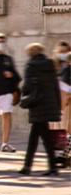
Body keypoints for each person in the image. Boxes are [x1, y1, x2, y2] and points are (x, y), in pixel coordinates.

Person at [19, 43, 62, 176]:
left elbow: (27, 86)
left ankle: (31, 167)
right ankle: (32, 166)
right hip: (49, 103)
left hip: (37, 104)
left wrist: (23, 95)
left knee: (43, 137)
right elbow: (56, 86)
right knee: (38, 136)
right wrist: (57, 105)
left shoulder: (31, 66)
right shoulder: (50, 65)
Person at [54, 40, 71, 133]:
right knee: (62, 115)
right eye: (61, 52)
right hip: (61, 91)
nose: (63, 54)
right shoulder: (55, 63)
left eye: (65, 52)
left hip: (66, 89)